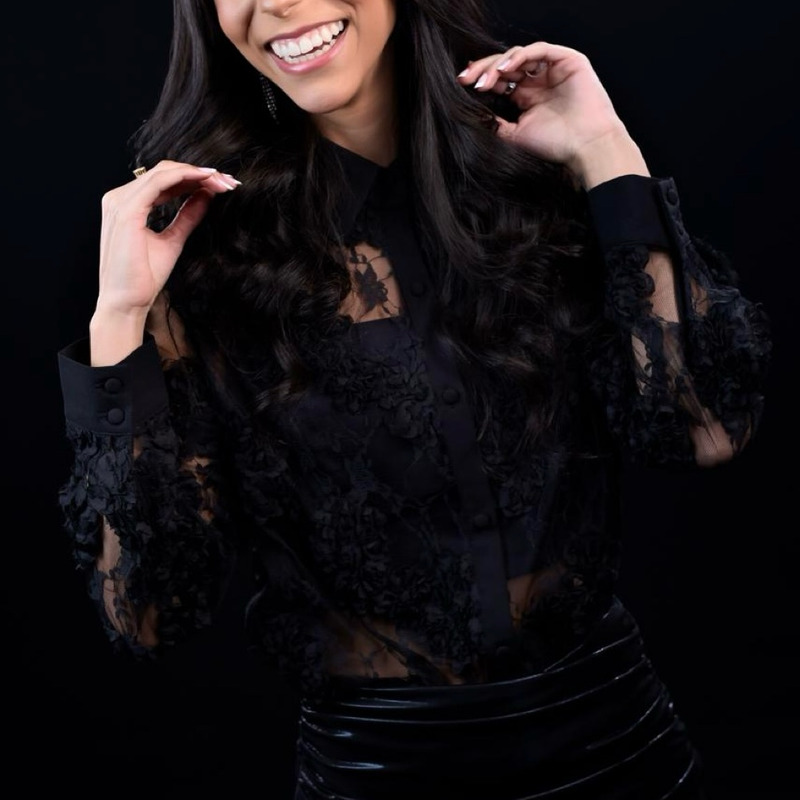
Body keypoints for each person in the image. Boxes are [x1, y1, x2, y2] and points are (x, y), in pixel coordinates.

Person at [56, 0, 771, 797]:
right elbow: (146, 613)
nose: (278, 4)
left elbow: (706, 427)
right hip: (379, 774)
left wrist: (607, 152)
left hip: (623, 754)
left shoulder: (535, 167)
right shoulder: (196, 252)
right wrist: (118, 318)